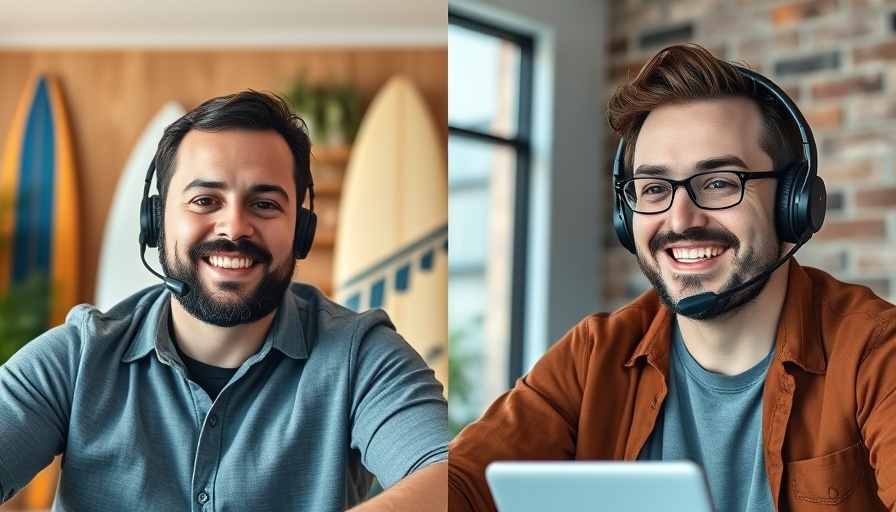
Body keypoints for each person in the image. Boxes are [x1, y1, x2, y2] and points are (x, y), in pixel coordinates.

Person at [448, 44, 896, 511]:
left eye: (720, 182)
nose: (680, 219)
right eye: (655, 189)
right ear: (627, 216)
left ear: (793, 203)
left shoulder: (875, 352)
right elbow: (457, 481)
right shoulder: (593, 358)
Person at [0, 90, 448, 511]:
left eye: (266, 204)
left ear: (302, 231)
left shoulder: (362, 355)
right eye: (205, 200)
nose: (234, 228)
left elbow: (447, 475)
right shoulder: (80, 357)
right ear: (156, 222)